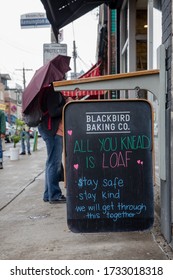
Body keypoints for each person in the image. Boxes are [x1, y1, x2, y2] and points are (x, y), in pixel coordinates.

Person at [38, 85, 66, 204]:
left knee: (51, 162)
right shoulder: (52, 92)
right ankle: (54, 195)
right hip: (53, 131)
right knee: (54, 163)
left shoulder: (50, 92)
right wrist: (66, 105)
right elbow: (54, 112)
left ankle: (47, 194)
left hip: (50, 130)